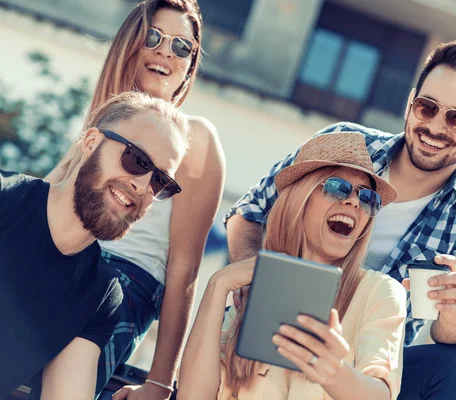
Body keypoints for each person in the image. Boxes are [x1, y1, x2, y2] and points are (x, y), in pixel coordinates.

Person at [225, 41, 456, 399]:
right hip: (279, 332)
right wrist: (256, 285)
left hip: (371, 373)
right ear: (410, 103)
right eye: (427, 107)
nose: (435, 127)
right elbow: (247, 215)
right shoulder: (344, 146)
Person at [45, 1, 225, 398]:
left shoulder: (195, 141)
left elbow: (184, 270)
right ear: (130, 43)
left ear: (190, 64)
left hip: (123, 286)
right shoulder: (96, 131)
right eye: (154, 37)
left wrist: (160, 383)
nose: (165, 52)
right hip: (57, 269)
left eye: (182, 47)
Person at [178, 132, 406, 399]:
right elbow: (192, 396)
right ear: (299, 198)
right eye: (337, 187)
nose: (354, 202)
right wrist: (217, 286)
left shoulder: (380, 292)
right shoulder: (252, 294)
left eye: (368, 199)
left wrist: (334, 372)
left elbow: (380, 395)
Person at [0, 91, 190, 400]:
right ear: (91, 143)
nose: (142, 186)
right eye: (137, 160)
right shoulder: (5, 198)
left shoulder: (101, 298)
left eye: (160, 182)